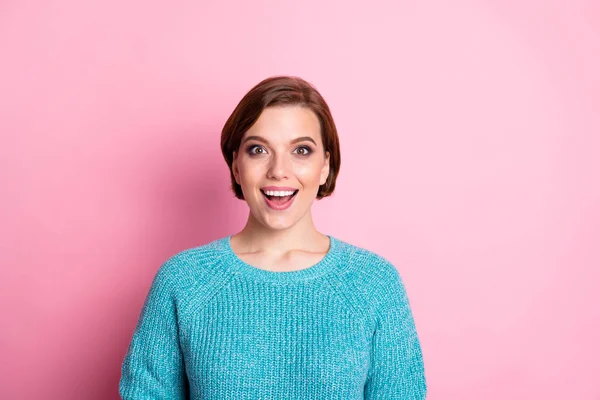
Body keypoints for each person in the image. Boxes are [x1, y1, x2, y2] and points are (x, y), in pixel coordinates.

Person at [119, 76, 427, 399]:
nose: (279, 170)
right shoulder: (183, 282)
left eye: (302, 150)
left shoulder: (374, 284)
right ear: (236, 166)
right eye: (258, 149)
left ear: (325, 165)